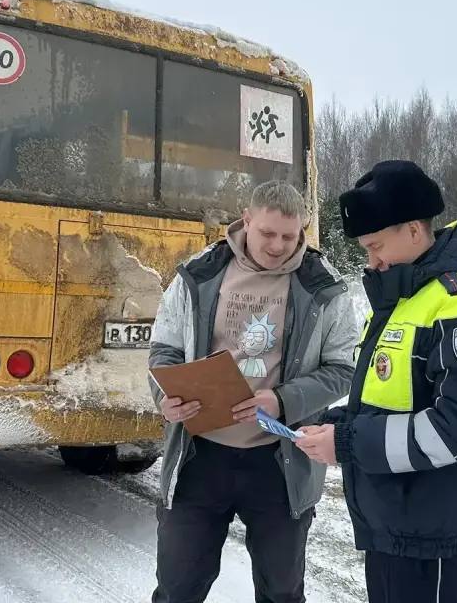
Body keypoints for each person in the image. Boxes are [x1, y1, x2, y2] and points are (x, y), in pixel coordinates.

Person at [295, 160, 457, 603]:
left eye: (376, 246)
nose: (371, 262)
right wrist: (334, 423)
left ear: (414, 230)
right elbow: (391, 397)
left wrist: (348, 443)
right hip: (395, 518)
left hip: (427, 527)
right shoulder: (405, 297)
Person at [148, 180, 359, 603]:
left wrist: (282, 400)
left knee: (282, 592)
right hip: (199, 457)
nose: (279, 246)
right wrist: (165, 398)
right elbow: (164, 348)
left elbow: (343, 370)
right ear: (246, 221)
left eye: (290, 235)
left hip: (279, 464)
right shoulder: (199, 273)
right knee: (177, 590)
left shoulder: (324, 287)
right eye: (268, 233)